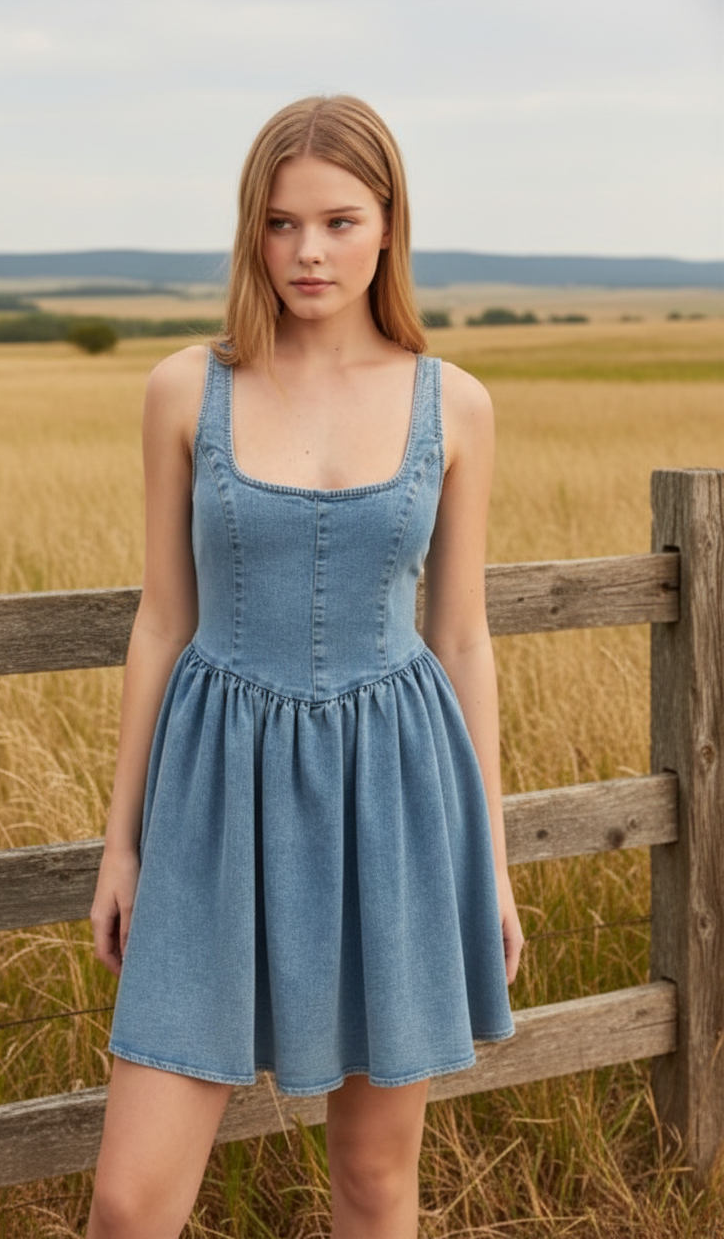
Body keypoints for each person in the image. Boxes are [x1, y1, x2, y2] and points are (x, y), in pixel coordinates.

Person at [86, 94, 523, 1239]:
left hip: (396, 799)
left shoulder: (455, 404)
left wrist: (493, 862)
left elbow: (462, 638)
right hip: (213, 797)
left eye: (337, 220)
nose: (308, 252)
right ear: (252, 231)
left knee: (375, 1185)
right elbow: (159, 622)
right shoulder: (189, 388)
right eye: (280, 225)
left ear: (388, 225)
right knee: (129, 1204)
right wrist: (120, 842)